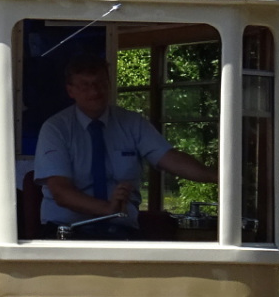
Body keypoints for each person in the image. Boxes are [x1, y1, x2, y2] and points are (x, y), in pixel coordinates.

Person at [34, 53, 216, 238]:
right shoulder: (56, 128)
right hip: (68, 232)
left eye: (100, 83)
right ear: (70, 91)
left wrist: (219, 177)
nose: (95, 92)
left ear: (109, 84)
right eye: (85, 85)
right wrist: (107, 208)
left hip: (121, 232)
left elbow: (170, 158)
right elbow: (61, 191)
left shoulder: (132, 123)